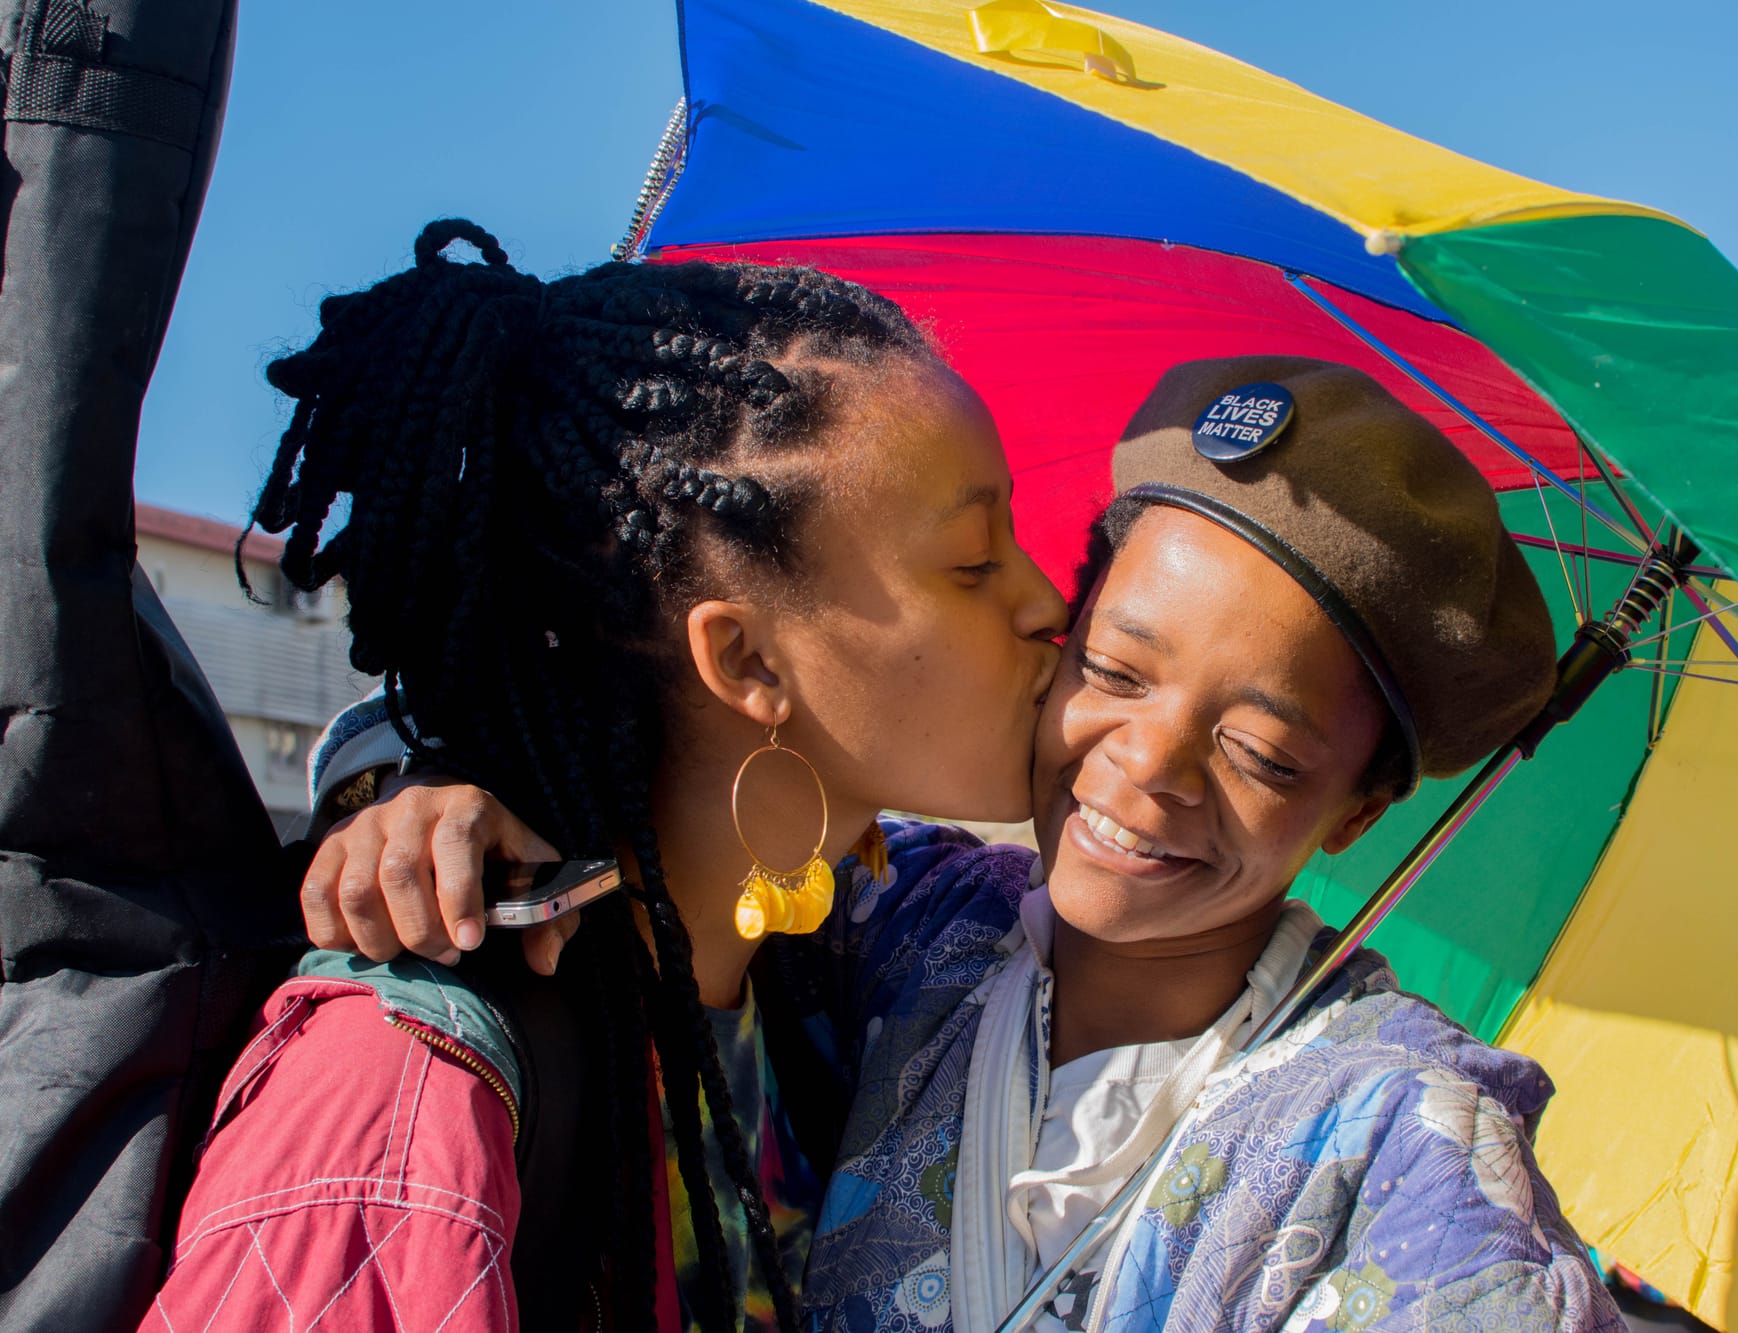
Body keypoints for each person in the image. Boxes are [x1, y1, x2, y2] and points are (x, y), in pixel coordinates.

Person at [307, 357, 1626, 1330]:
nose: (1146, 769)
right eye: (1112, 668)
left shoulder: (1409, 1135)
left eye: (1261, 753)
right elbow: (693, 818)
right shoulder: (900, 917)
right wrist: (445, 785)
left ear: (1355, 810)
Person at [142, 220, 1068, 1333]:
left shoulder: (846, 951)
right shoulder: (405, 1098)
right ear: (742, 658)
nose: (1043, 603)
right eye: (973, 561)